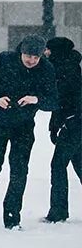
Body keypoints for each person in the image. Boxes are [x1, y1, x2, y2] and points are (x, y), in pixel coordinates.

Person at [0, 35, 58, 229]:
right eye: (28, 56)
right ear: (21, 52)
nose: (31, 61)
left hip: (24, 126)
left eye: (36, 57)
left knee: (19, 172)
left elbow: (53, 100)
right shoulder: (4, 60)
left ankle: (12, 217)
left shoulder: (46, 69)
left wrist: (36, 99)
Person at [44, 36, 81, 223]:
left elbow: (61, 101)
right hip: (73, 123)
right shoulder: (70, 66)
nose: (46, 52)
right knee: (79, 164)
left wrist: (64, 123)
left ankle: (58, 211)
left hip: (73, 124)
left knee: (58, 165)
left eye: (49, 49)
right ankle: (58, 210)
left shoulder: (62, 70)